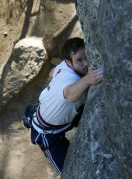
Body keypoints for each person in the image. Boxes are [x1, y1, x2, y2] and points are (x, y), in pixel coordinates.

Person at [30, 37, 104, 173]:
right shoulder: (70, 79)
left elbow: (52, 73)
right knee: (67, 171)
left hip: (49, 110)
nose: (86, 63)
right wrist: (89, 78)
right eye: (79, 60)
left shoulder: (63, 66)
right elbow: (70, 95)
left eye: (86, 56)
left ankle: (32, 114)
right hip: (47, 133)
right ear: (69, 62)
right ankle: (31, 119)